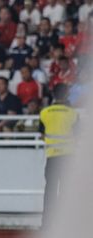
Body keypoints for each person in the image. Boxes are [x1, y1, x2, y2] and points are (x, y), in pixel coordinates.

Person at [39, 84, 77, 225]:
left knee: (50, 191)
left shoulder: (45, 112)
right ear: (67, 93)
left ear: (53, 94)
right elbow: (77, 133)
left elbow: (42, 134)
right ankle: (67, 224)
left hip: (52, 157)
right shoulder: (72, 113)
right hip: (68, 157)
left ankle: (47, 224)